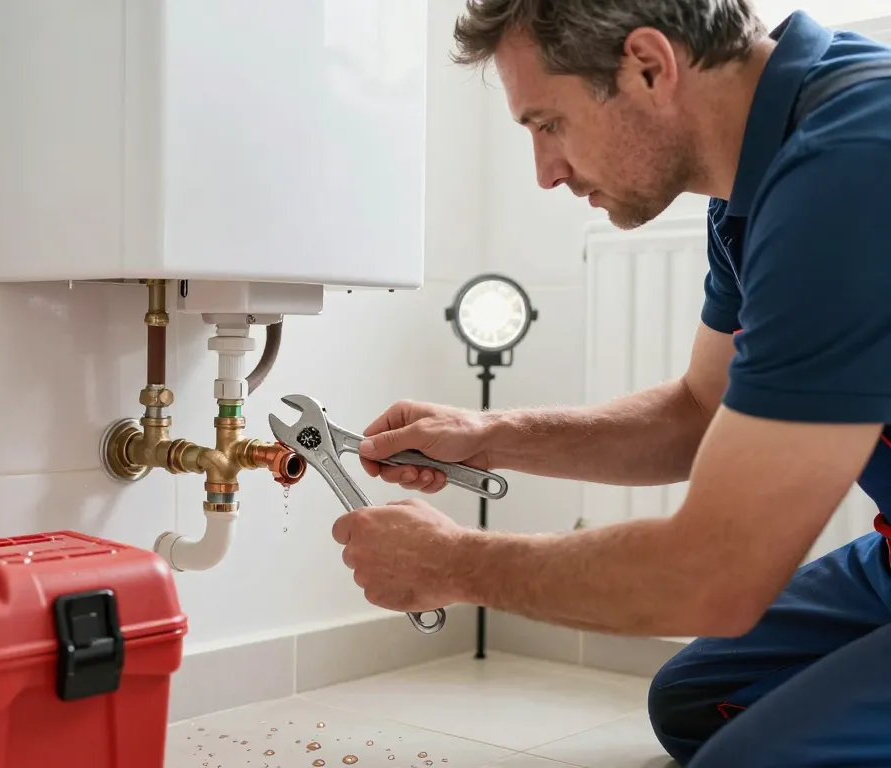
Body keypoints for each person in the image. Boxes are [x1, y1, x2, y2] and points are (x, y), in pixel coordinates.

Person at [330, 2, 891, 766]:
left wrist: (453, 564)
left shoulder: (852, 162)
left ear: (649, 67)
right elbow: (699, 409)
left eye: (548, 123)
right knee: (698, 704)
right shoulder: (753, 184)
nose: (544, 172)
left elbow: (715, 576)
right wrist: (490, 437)